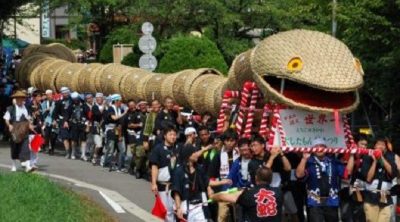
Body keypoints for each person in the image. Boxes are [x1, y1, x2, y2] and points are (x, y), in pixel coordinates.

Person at [296, 138, 355, 222]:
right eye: (316, 146)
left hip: (331, 200)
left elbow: (347, 173)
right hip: (314, 201)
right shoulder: (309, 162)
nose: (319, 148)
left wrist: (352, 155)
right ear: (312, 149)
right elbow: (299, 175)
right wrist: (304, 159)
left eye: (322, 146)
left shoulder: (333, 161)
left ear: (326, 149)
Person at [210, 166, 283, 222]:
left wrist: (212, 196)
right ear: (271, 179)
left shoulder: (248, 194)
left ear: (256, 178)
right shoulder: (279, 193)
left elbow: (223, 196)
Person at [360, 138, 397, 222]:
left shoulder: (390, 157)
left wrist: (381, 158)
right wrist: (375, 161)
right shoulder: (367, 157)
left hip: (386, 197)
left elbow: (392, 173)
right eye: (378, 144)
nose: (380, 146)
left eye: (383, 145)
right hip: (371, 197)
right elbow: (368, 178)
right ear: (374, 146)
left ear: (385, 148)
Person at [172, 143, 211, 221]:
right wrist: (178, 208)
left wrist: (222, 183)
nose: (197, 154)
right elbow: (176, 192)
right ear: (188, 155)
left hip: (200, 206)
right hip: (186, 207)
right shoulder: (179, 171)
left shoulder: (199, 169)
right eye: (195, 152)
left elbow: (207, 182)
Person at [207, 129, 240, 222]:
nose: (229, 143)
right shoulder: (218, 155)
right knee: (222, 217)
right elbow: (211, 174)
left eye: (232, 140)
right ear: (224, 141)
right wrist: (210, 189)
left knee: (237, 216)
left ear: (236, 141)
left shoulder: (239, 154)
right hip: (223, 190)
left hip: (237, 188)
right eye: (227, 140)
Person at [150, 126, 181, 222]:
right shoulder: (158, 149)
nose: (173, 137)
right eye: (170, 134)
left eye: (175, 135)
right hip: (164, 186)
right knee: (167, 212)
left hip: (177, 185)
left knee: (178, 210)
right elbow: (154, 167)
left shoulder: (178, 148)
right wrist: (154, 183)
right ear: (165, 136)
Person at [3, 90, 35, 172]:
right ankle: (14, 165)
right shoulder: (11, 108)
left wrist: (30, 125)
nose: (20, 100)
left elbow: (28, 118)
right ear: (16, 99)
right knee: (15, 148)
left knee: (25, 147)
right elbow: (6, 118)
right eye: (19, 99)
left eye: (22, 99)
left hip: (24, 129)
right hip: (15, 129)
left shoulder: (26, 108)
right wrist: (9, 125)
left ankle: (28, 166)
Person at [103, 94, 127, 171]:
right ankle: (108, 163)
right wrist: (124, 113)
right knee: (111, 148)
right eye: (120, 101)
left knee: (122, 149)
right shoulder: (111, 108)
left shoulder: (119, 109)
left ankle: (120, 165)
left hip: (118, 130)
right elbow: (114, 118)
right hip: (111, 130)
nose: (121, 102)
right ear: (116, 101)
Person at [52, 87, 72, 158]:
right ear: (62, 94)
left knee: (71, 137)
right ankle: (67, 152)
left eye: (67, 92)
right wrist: (55, 120)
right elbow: (55, 112)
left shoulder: (72, 100)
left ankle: (72, 152)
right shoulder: (59, 102)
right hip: (62, 121)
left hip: (71, 121)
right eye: (64, 93)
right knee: (65, 137)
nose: (66, 94)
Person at [68, 92, 88, 160]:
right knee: (74, 140)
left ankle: (83, 154)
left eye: (76, 99)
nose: (75, 100)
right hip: (74, 124)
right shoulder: (71, 105)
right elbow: (67, 114)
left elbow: (88, 114)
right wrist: (66, 121)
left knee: (83, 139)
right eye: (74, 99)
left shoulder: (84, 105)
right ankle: (73, 153)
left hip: (82, 124)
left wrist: (87, 123)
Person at [40, 89, 56, 155]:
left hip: (54, 121)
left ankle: (52, 148)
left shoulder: (55, 102)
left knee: (53, 136)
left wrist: (55, 120)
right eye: (48, 95)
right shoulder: (43, 103)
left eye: (50, 94)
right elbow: (42, 113)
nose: (49, 96)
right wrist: (46, 110)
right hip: (46, 121)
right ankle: (46, 147)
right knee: (46, 135)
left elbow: (57, 112)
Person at [91, 93, 105, 165]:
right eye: (97, 98)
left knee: (103, 145)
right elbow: (98, 114)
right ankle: (94, 156)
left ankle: (102, 159)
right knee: (99, 144)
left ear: (103, 98)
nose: (99, 99)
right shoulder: (94, 107)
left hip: (104, 128)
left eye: (100, 98)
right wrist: (104, 107)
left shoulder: (106, 107)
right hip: (96, 128)